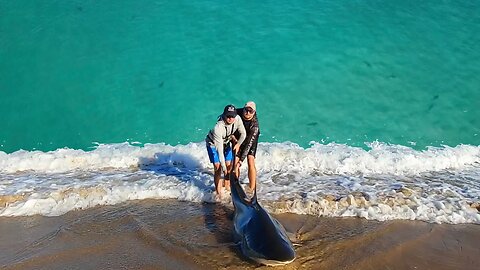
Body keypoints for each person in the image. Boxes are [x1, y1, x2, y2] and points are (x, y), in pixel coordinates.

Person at [206, 104, 246, 197]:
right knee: (218, 167)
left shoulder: (238, 119)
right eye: (228, 116)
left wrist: (238, 144)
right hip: (213, 144)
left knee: (229, 166)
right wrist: (224, 168)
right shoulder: (218, 128)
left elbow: (243, 134)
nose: (230, 119)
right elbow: (219, 151)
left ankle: (227, 188)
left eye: (232, 116)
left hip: (226, 142)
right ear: (224, 115)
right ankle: (218, 193)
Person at [233, 101, 260, 198]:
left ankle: (252, 188)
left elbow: (248, 145)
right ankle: (236, 185)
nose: (247, 113)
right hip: (239, 137)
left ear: (254, 112)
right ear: (243, 109)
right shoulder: (237, 112)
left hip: (250, 139)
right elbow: (227, 115)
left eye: (250, 111)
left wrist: (241, 160)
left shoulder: (254, 127)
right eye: (246, 110)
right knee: (234, 161)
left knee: (250, 160)